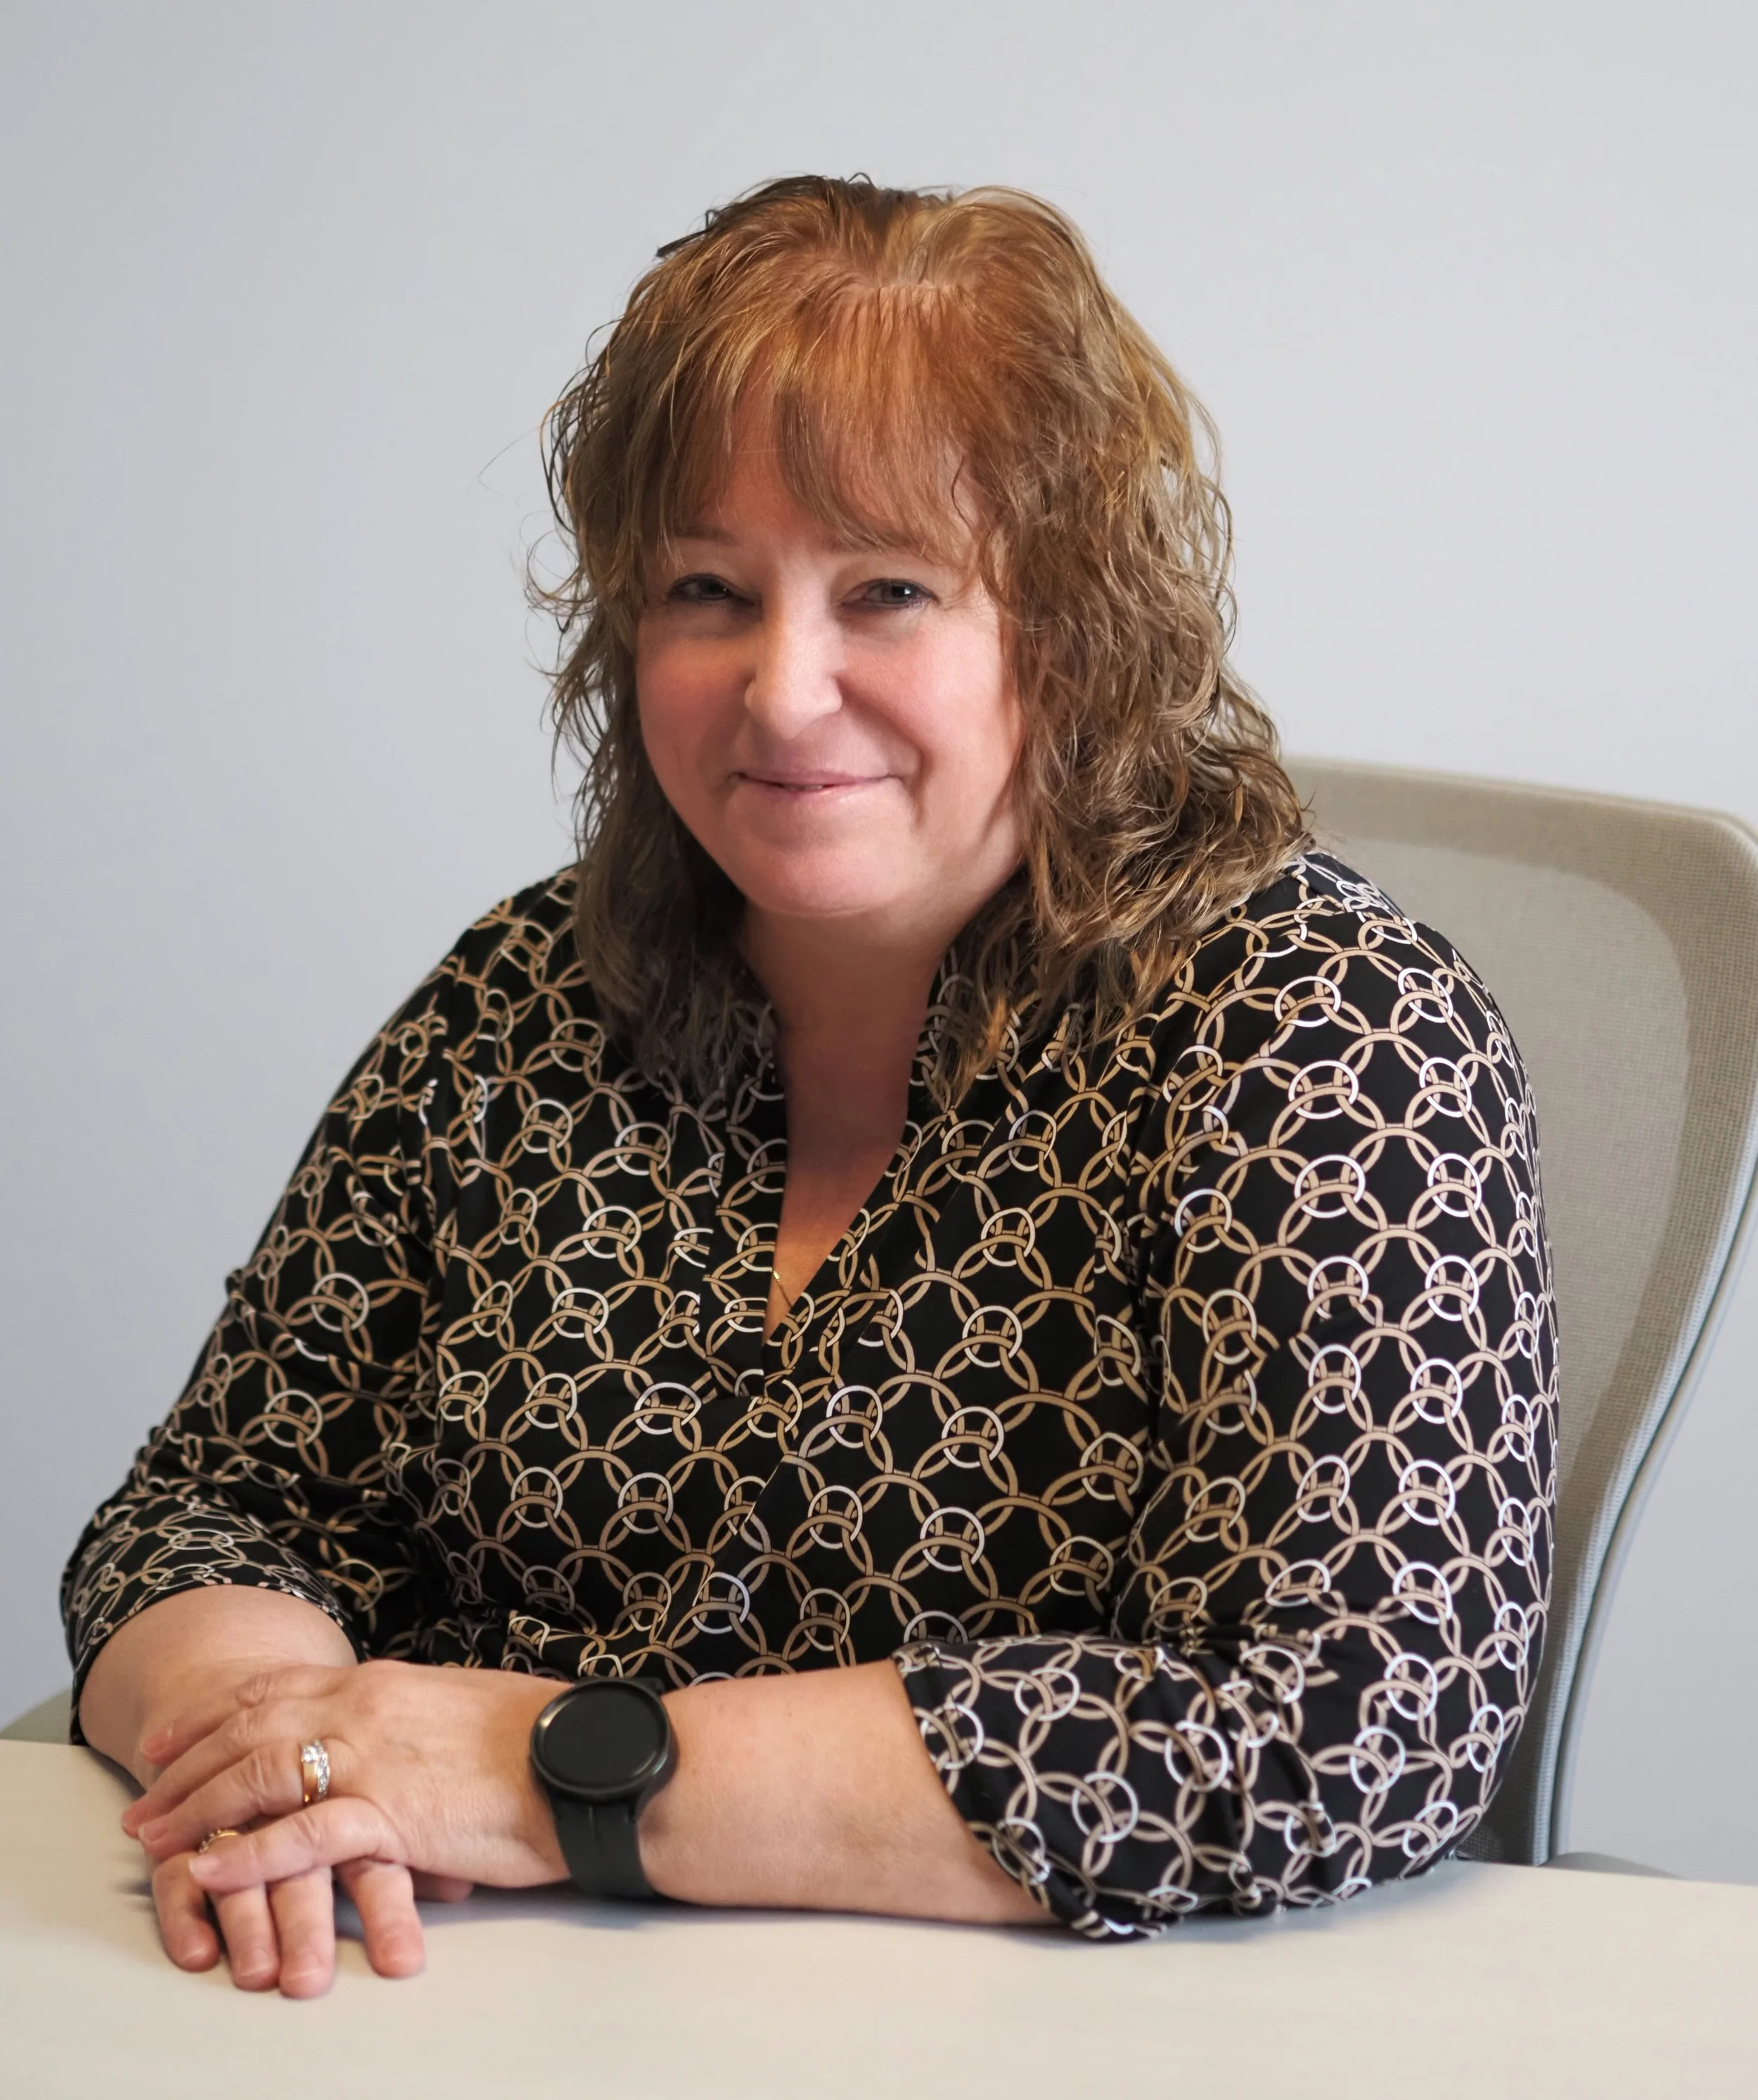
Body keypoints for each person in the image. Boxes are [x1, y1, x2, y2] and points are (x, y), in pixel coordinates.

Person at [65, 175, 1558, 1997]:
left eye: (887, 591)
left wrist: (539, 1773)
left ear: (1073, 625)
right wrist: (273, 1748)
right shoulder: (524, 996)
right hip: (426, 2007)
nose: (781, 691)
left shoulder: (1326, 1031)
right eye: (707, 590)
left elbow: (1333, 1727)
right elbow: (207, 1509)